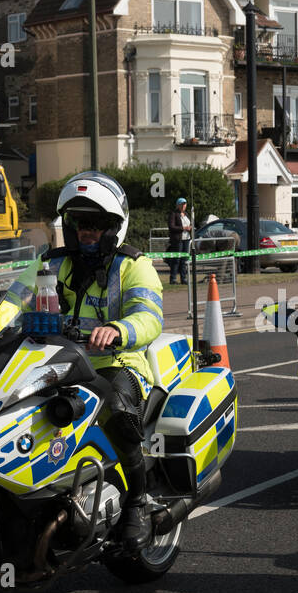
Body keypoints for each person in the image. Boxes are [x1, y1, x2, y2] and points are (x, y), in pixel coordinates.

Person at [50, 172, 165, 553]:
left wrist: (117, 328)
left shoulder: (134, 266)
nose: (87, 231)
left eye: (96, 224)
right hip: (58, 364)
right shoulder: (55, 266)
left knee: (114, 407)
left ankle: (137, 499)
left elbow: (150, 316)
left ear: (113, 228)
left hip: (119, 364)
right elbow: (14, 299)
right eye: (81, 223)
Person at [167, 197, 191, 285]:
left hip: (187, 240)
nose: (184, 205)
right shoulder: (173, 214)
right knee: (176, 259)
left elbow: (190, 224)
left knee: (184, 260)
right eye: (182, 204)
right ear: (178, 205)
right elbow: (171, 226)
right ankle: (173, 279)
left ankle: (183, 278)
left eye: (185, 204)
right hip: (178, 240)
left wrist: (190, 228)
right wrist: (183, 228)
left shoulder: (187, 214)